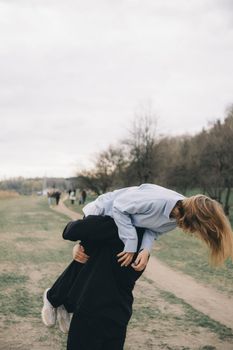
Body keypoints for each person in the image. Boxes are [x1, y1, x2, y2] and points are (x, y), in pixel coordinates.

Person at [41, 184, 233, 348]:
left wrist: (145, 249)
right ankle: (54, 298)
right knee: (85, 254)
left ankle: (63, 302)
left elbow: (152, 228)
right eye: (195, 229)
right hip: (104, 210)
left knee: (91, 263)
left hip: (124, 225)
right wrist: (131, 244)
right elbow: (118, 207)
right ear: (192, 218)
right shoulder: (158, 202)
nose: (191, 233)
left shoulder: (175, 217)